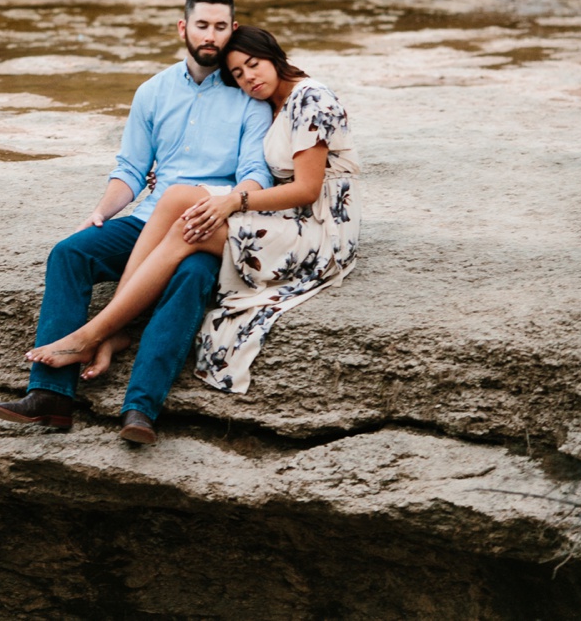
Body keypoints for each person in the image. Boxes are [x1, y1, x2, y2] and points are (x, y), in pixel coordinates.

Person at [0, 0, 273, 444]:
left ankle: (140, 408)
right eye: (202, 25)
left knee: (193, 278)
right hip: (149, 220)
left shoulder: (249, 96)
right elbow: (133, 169)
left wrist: (226, 205)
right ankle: (52, 397)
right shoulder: (153, 92)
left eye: (221, 27)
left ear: (232, 29)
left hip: (208, 226)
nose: (211, 36)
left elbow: (255, 172)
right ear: (183, 27)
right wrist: (100, 211)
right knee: (70, 253)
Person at [27, 25, 360, 407]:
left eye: (253, 65)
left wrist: (234, 202)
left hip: (320, 230)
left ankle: (96, 334)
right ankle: (111, 328)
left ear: (275, 56)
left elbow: (307, 190)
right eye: (237, 73)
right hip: (290, 217)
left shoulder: (309, 98)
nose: (248, 78)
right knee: (176, 197)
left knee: (189, 232)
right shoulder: (274, 100)